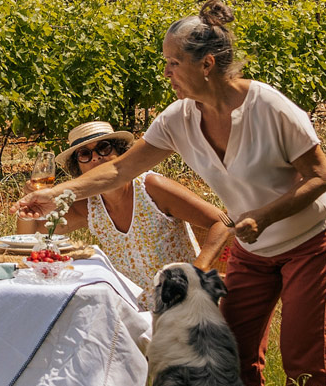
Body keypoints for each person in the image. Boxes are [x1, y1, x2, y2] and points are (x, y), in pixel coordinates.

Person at [15, 0, 326, 386]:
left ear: (206, 63)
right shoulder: (178, 119)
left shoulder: (269, 107)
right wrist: (55, 194)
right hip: (253, 250)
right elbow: (119, 171)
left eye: (172, 62)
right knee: (235, 356)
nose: (165, 72)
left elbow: (322, 177)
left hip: (308, 240)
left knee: (304, 358)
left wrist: (263, 216)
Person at [15, 121, 231, 292]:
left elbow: (222, 222)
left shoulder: (151, 187)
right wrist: (28, 206)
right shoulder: (90, 206)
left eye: (103, 147)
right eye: (85, 154)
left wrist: (199, 268)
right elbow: (32, 236)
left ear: (120, 154)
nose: (96, 157)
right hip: (133, 312)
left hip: (182, 304)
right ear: (78, 168)